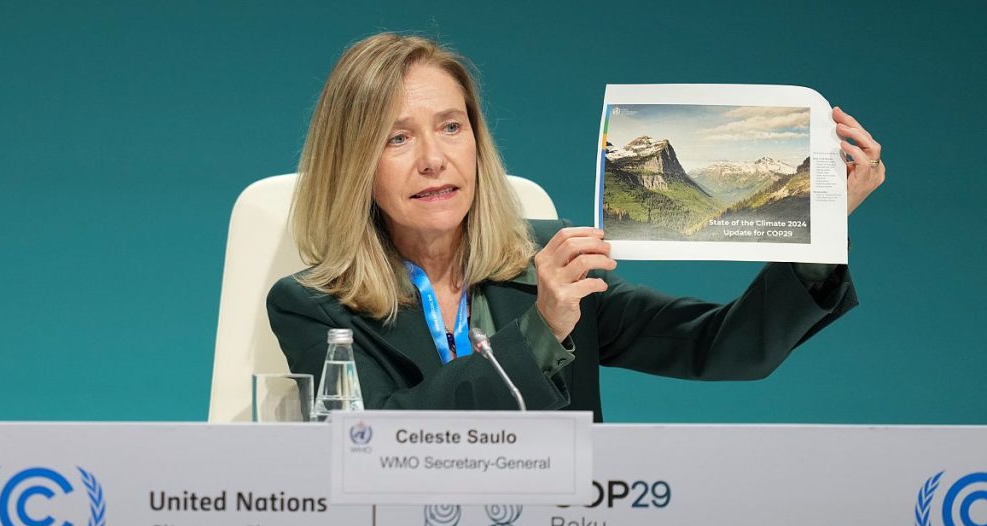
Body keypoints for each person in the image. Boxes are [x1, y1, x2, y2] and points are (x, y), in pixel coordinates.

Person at [267, 33, 885, 422]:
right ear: (354, 163)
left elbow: (721, 347)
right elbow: (373, 438)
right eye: (397, 138)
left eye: (452, 127)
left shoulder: (546, 259)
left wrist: (821, 229)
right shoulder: (312, 306)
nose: (434, 158)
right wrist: (541, 332)